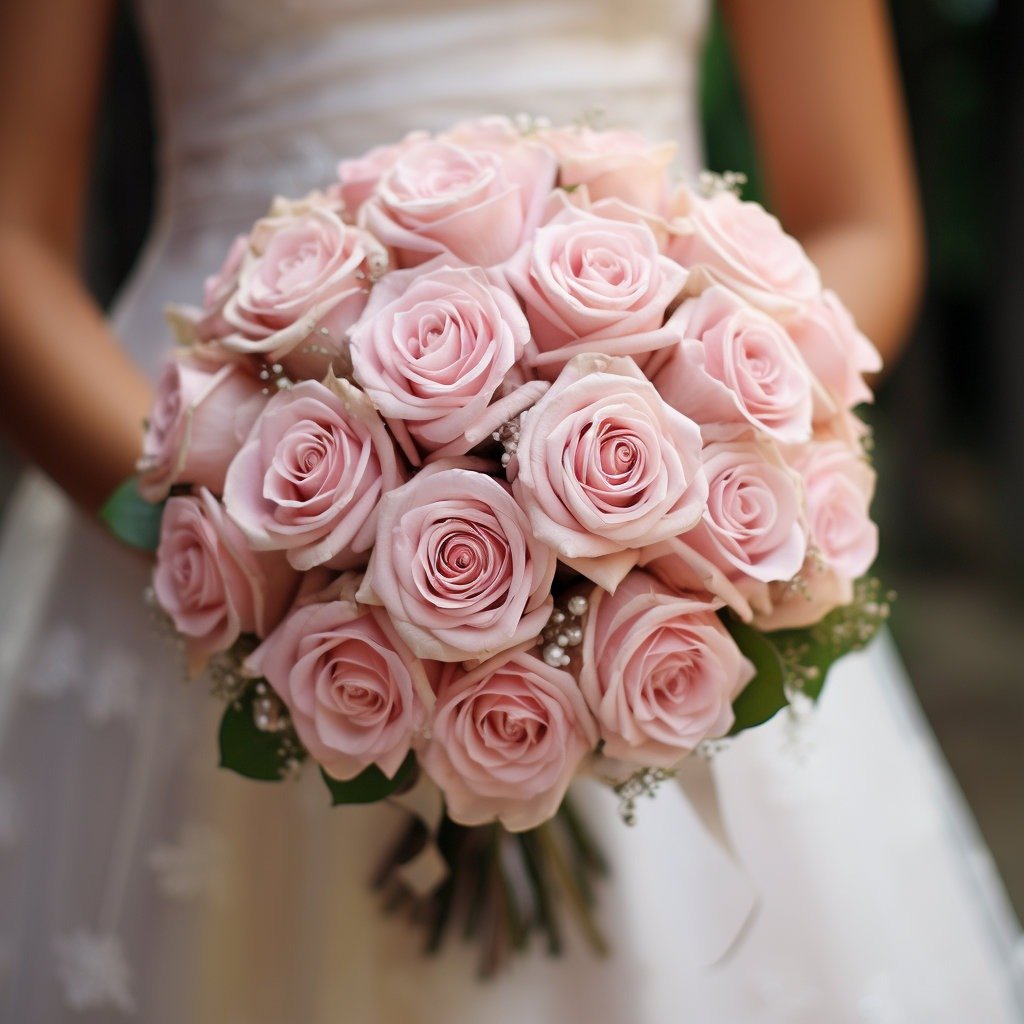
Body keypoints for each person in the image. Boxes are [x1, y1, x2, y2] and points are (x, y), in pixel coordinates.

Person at [0, 0, 1020, 1020]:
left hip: (672, 503)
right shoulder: (216, 525)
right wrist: (215, 534)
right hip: (194, 478)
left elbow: (860, 217)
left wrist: (697, 493)